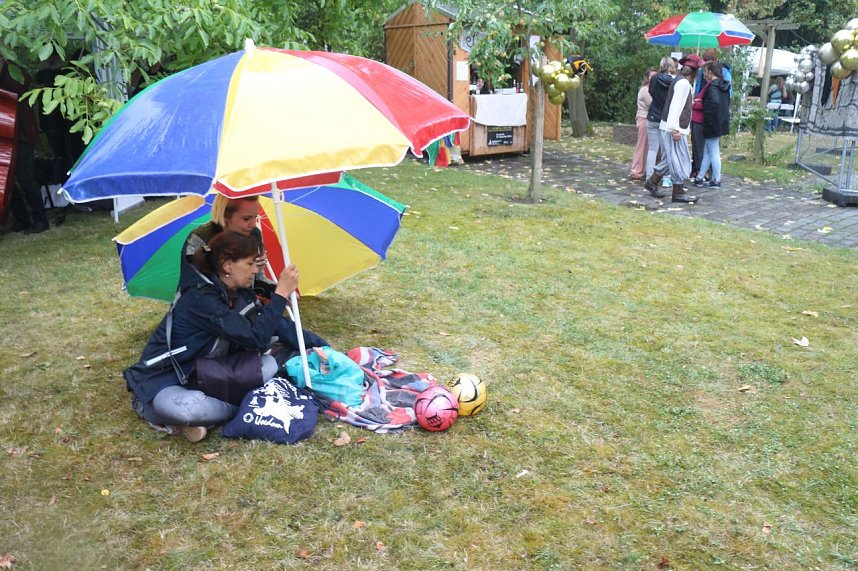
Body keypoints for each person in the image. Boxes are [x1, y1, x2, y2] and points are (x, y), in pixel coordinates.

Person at [124, 231, 328, 442]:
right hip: (169, 377)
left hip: (210, 373)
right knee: (189, 410)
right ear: (227, 265)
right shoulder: (201, 298)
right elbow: (255, 338)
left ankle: (210, 419)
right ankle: (168, 411)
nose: (255, 270)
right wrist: (280, 294)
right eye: (249, 264)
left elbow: (272, 327)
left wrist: (322, 346)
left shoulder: (237, 292)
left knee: (268, 365)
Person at [184, 193, 276, 298]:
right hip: (204, 306)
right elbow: (193, 286)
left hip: (241, 305)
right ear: (226, 215)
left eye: (255, 217)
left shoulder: (254, 234)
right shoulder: (200, 238)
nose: (253, 224)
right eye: (246, 219)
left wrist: (280, 291)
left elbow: (258, 282)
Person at [0, 59, 49, 234]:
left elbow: (19, 89)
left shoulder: (13, 69)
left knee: (25, 177)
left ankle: (40, 219)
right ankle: (21, 218)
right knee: (7, 181)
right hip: (5, 135)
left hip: (21, 134)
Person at [644, 62, 698, 203]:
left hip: (669, 126)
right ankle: (678, 192)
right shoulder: (683, 84)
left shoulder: (679, 82)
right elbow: (675, 107)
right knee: (678, 159)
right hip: (673, 128)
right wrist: (676, 129)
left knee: (670, 158)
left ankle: (652, 181)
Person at [694, 62, 731, 189]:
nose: (704, 74)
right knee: (708, 151)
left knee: (713, 152)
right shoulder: (723, 85)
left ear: (710, 72)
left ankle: (716, 179)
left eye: (705, 72)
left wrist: (705, 109)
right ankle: (700, 177)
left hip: (712, 122)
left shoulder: (712, 87)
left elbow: (714, 103)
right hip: (720, 121)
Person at [644, 57, 677, 186]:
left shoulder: (654, 79)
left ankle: (649, 176)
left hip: (653, 115)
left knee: (652, 149)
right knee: (666, 150)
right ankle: (666, 178)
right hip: (666, 118)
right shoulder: (675, 81)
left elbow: (651, 92)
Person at [629, 68, 656, 181]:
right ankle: (636, 171)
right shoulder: (645, 90)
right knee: (642, 146)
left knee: (649, 147)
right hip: (644, 119)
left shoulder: (652, 89)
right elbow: (652, 104)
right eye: (652, 76)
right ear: (648, 78)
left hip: (649, 119)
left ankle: (643, 169)